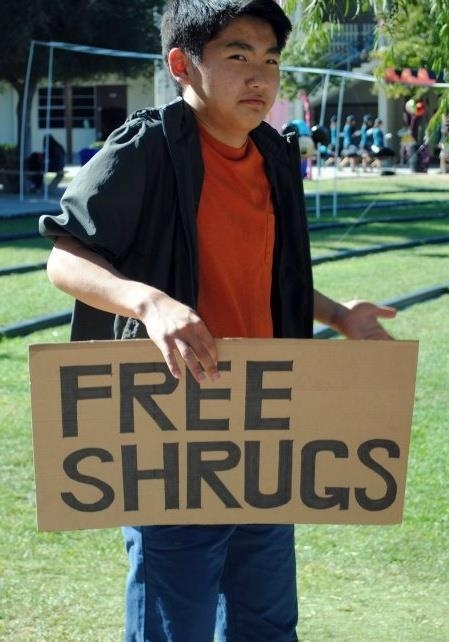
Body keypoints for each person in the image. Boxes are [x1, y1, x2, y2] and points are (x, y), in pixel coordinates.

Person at [40, 2, 397, 641]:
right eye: (238, 57)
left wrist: (339, 315)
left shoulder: (274, 155)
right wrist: (148, 303)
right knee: (174, 626)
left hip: (263, 428)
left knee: (267, 625)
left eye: (271, 60)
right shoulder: (145, 148)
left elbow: (266, 272)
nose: (260, 77)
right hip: (172, 429)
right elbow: (64, 258)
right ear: (182, 65)